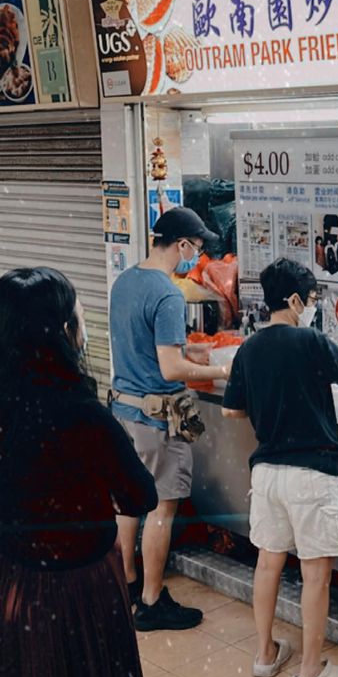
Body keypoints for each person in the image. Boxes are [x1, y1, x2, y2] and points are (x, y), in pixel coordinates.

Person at [0, 267, 159, 677]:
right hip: (83, 594)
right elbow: (141, 494)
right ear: (61, 330)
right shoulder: (82, 413)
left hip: (12, 591)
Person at [222, 258, 338, 677]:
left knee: (268, 562)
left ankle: (265, 654)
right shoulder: (308, 339)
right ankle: (311, 671)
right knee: (315, 575)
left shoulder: (249, 348)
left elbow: (231, 409)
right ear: (294, 300)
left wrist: (273, 407)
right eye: (310, 299)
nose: (311, 307)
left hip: (268, 474)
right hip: (312, 473)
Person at [110, 206, 232, 631]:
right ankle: (151, 600)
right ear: (181, 245)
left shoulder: (124, 282)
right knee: (163, 507)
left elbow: (144, 348)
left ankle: (125, 584)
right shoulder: (166, 293)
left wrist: (190, 352)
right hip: (156, 420)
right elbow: (169, 370)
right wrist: (219, 370)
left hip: (123, 412)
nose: (196, 259)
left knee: (127, 504)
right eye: (196, 250)